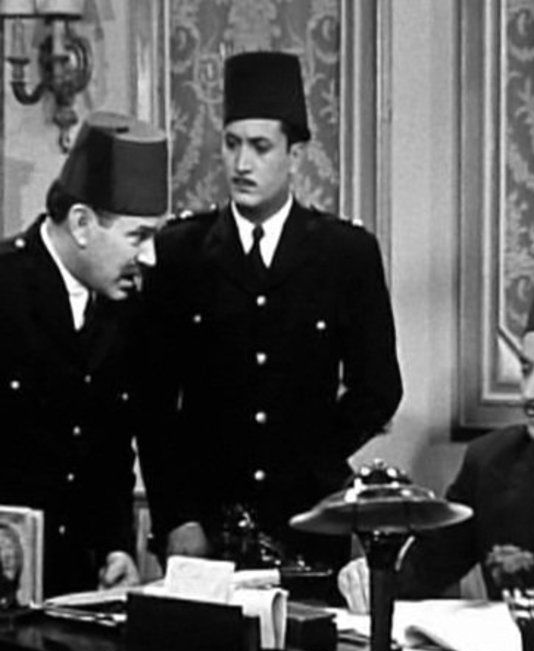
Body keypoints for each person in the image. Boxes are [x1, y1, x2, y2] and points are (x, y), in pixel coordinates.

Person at [136, 51, 402, 580]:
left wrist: (314, 459)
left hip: (308, 523)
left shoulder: (345, 254)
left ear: (294, 155)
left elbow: (379, 388)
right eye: (231, 144)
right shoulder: (180, 253)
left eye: (260, 147)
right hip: (204, 526)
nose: (242, 164)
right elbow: (152, 404)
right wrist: (178, 515)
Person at [339, 262, 534, 643]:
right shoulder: (493, 460)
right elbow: (429, 565)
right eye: (526, 370)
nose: (531, 392)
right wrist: (375, 574)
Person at [0, 111, 169, 597]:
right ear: (81, 223)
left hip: (81, 592)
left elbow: (111, 449)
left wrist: (117, 547)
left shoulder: (127, 308)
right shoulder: (5, 288)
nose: (150, 257)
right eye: (138, 236)